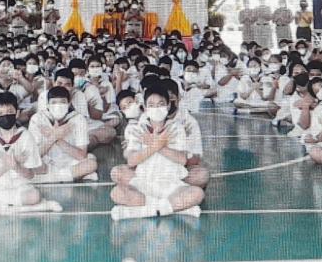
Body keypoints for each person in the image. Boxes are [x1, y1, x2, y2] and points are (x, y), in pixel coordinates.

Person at [110, 81, 204, 220]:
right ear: (145, 108)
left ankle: (142, 211)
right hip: (144, 181)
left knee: (197, 193)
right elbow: (131, 161)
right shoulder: (139, 129)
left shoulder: (176, 128)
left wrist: (158, 145)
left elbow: (182, 159)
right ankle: (173, 209)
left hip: (171, 184)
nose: (156, 108)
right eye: (151, 105)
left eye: (160, 104)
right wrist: (155, 146)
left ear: (168, 105)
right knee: (116, 193)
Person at [28, 86, 99, 182]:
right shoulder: (37, 119)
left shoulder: (78, 119)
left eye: (62, 102)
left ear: (69, 103)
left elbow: (81, 155)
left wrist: (58, 139)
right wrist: (53, 137)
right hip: (45, 163)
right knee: (28, 164)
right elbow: (34, 155)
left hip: (70, 162)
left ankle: (49, 178)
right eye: (54, 103)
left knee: (91, 163)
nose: (58, 106)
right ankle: (69, 176)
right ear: (47, 104)